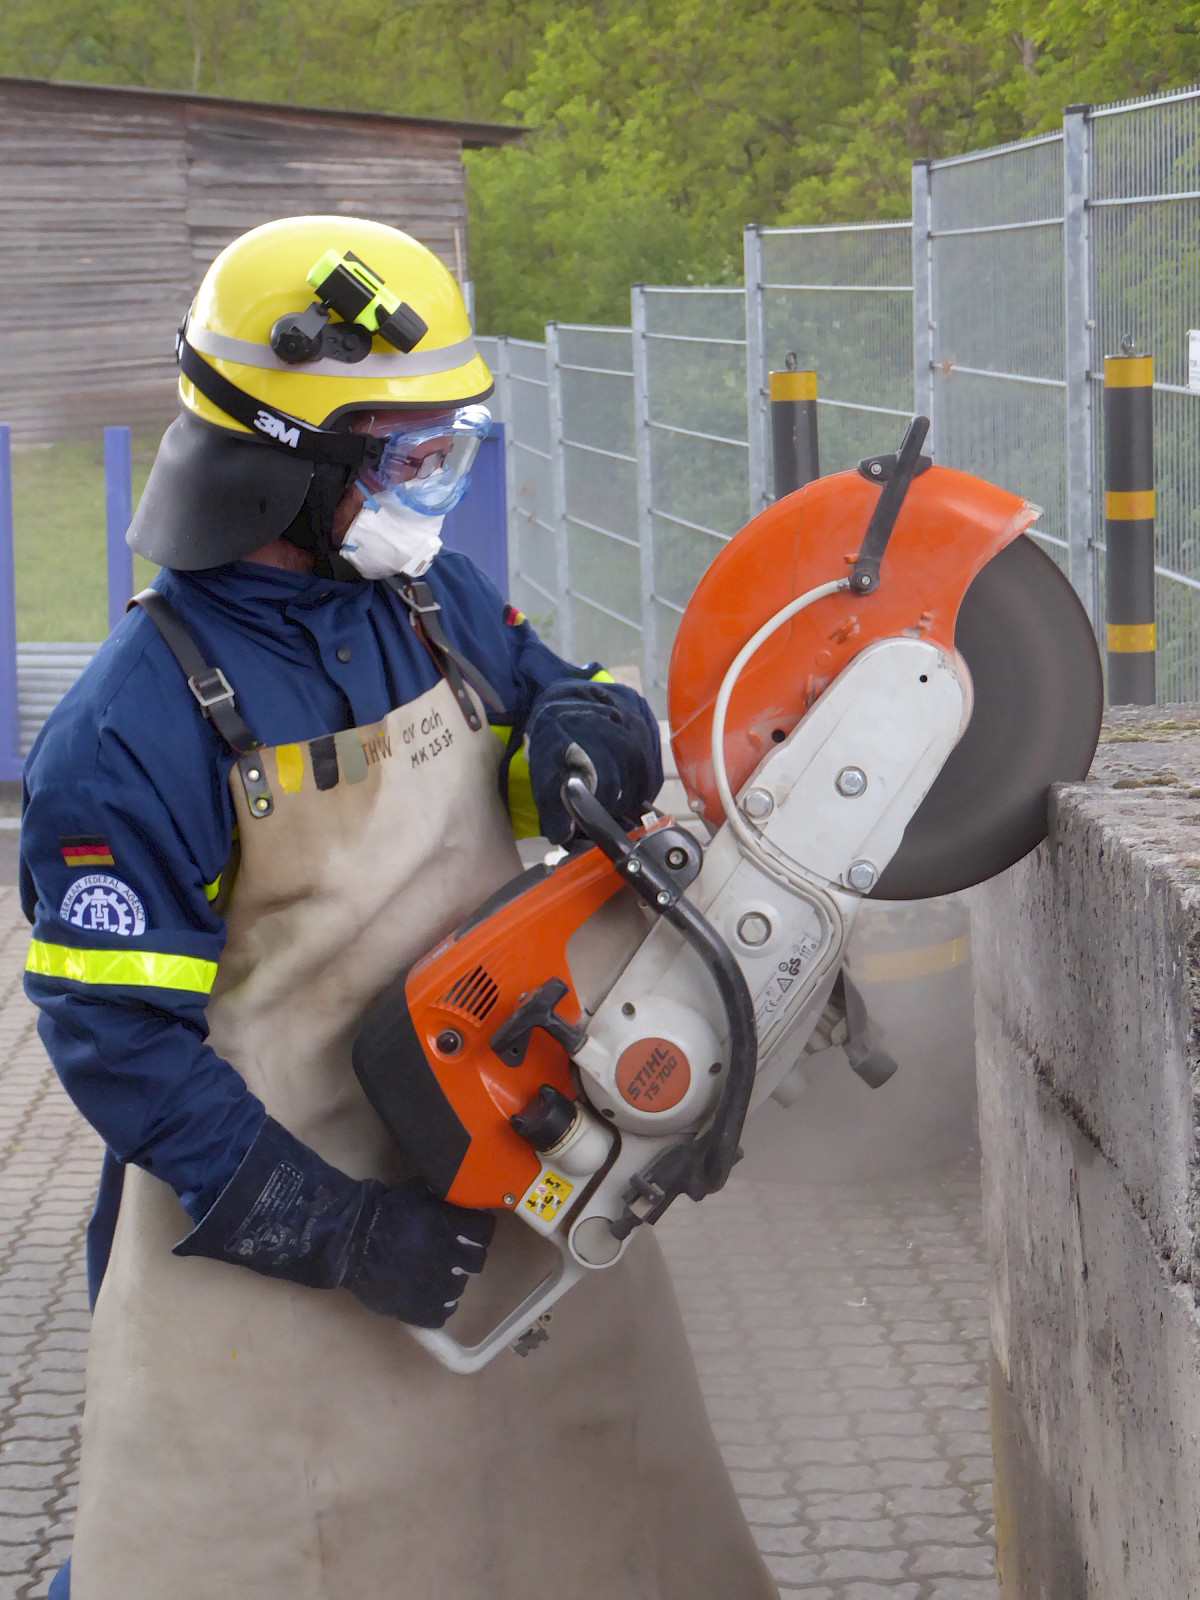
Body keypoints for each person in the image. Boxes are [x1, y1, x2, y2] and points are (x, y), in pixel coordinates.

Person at [21, 216, 777, 1600]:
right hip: (281, 1259)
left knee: (598, 1520)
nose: (436, 488)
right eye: (407, 457)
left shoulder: (424, 605)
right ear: (283, 464)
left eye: (451, 448)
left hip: (507, 1182)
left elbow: (560, 691)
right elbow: (120, 1050)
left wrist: (587, 733)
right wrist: (336, 1232)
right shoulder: (129, 732)